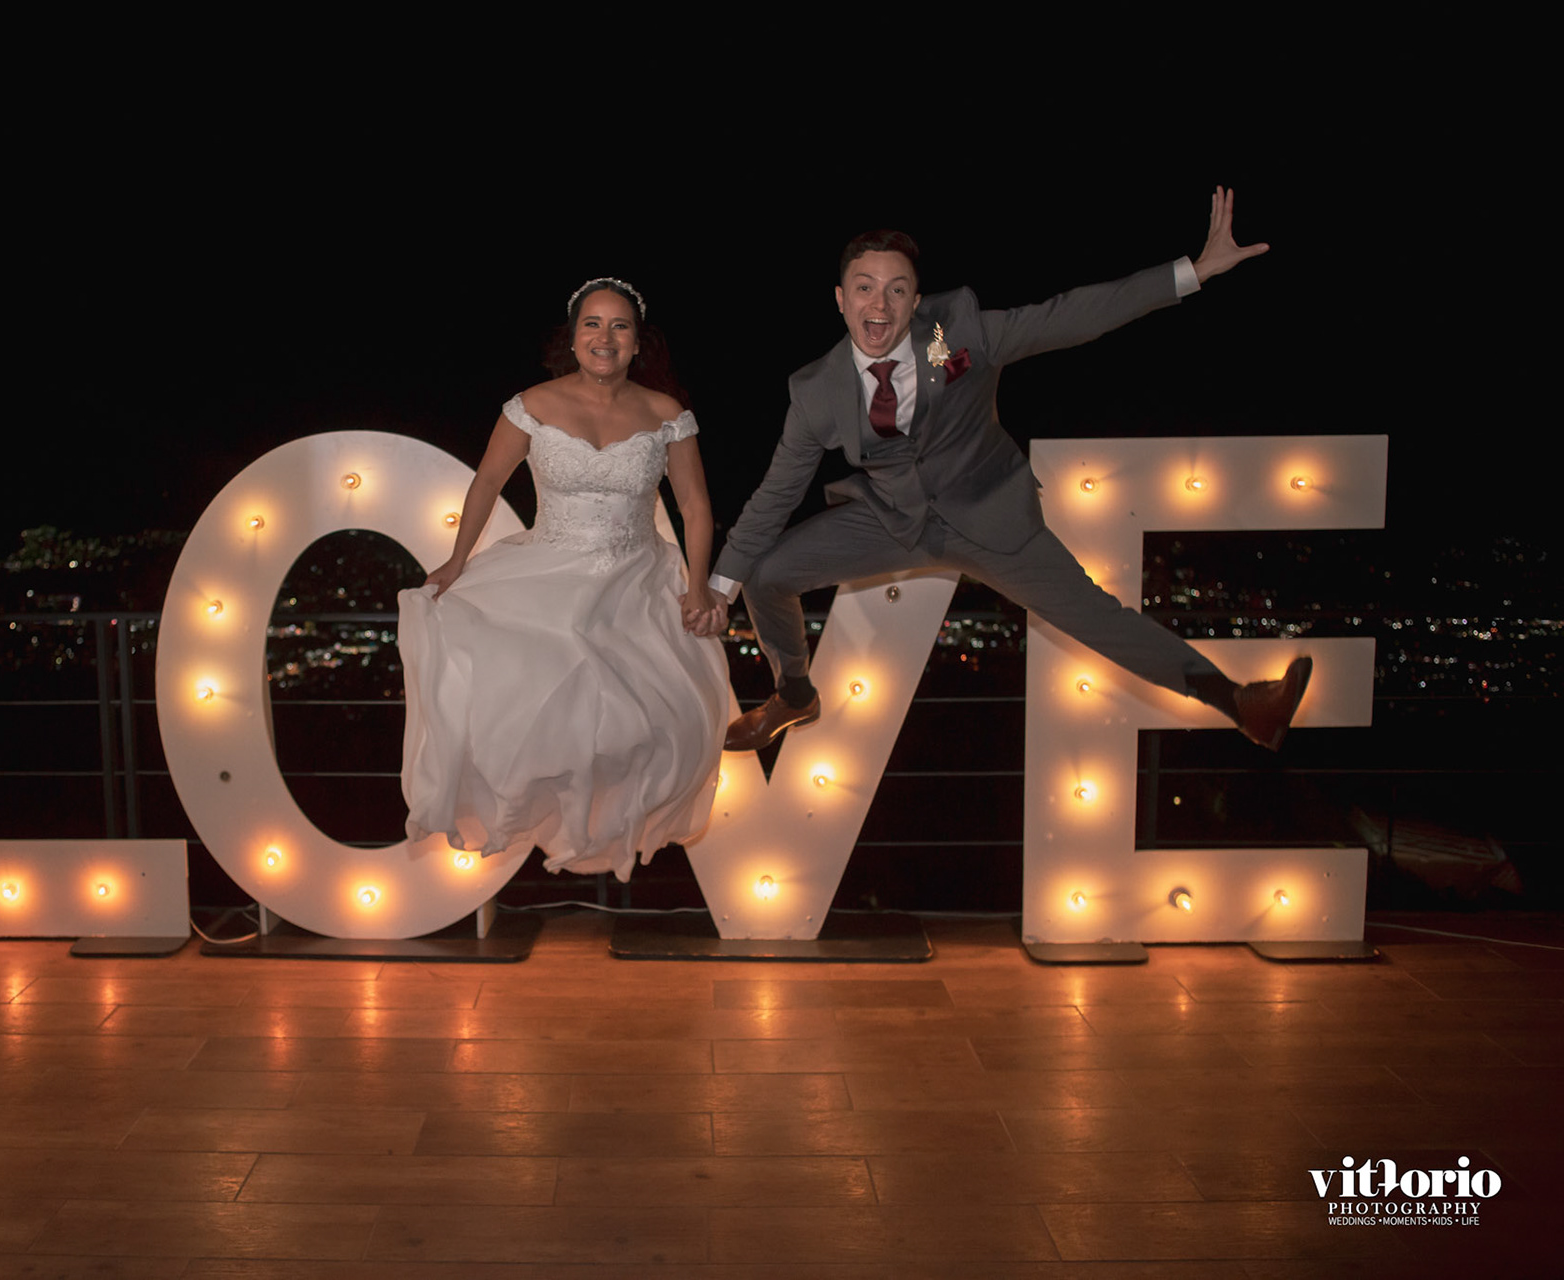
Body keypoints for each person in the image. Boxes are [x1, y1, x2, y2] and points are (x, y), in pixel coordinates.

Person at [712, 188, 1313, 753]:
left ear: (916, 302)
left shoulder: (957, 331)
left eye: (897, 290)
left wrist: (1192, 271)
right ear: (841, 298)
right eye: (864, 288)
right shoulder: (815, 391)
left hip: (990, 518)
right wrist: (718, 590)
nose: (880, 303)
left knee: (1096, 618)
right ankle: (795, 695)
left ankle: (1240, 704)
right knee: (765, 575)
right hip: (893, 519)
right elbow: (775, 494)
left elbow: (1071, 315)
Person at [398, 278, 729, 882]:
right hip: (549, 570)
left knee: (658, 721)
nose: (606, 337)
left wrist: (699, 585)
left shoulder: (667, 415)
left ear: (637, 343)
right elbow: (487, 482)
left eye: (620, 326)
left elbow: (696, 506)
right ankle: (544, 816)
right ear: (573, 339)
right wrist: (457, 560)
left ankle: (604, 826)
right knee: (532, 705)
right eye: (592, 324)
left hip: (637, 580)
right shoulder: (531, 405)